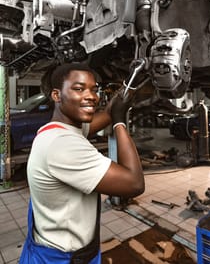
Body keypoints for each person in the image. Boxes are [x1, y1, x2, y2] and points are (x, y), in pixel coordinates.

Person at [19, 62, 145, 264]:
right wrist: (120, 120)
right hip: (63, 259)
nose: (91, 97)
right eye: (79, 89)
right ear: (56, 95)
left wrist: (126, 90)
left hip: (54, 247)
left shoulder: (57, 130)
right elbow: (134, 183)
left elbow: (104, 116)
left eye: (94, 90)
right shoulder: (62, 145)